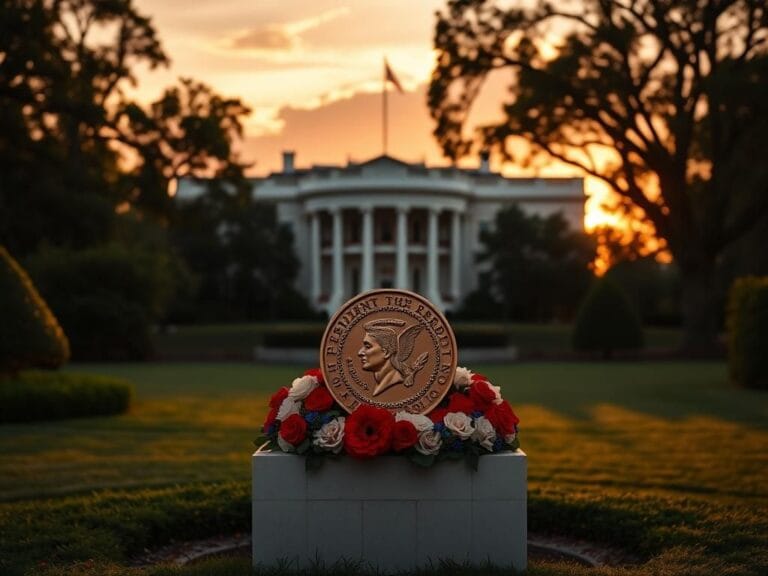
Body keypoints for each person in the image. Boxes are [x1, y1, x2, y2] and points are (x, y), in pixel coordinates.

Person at [358, 319, 428, 396]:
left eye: (367, 346)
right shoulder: (380, 381)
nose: (360, 353)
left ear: (386, 352)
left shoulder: (394, 379)